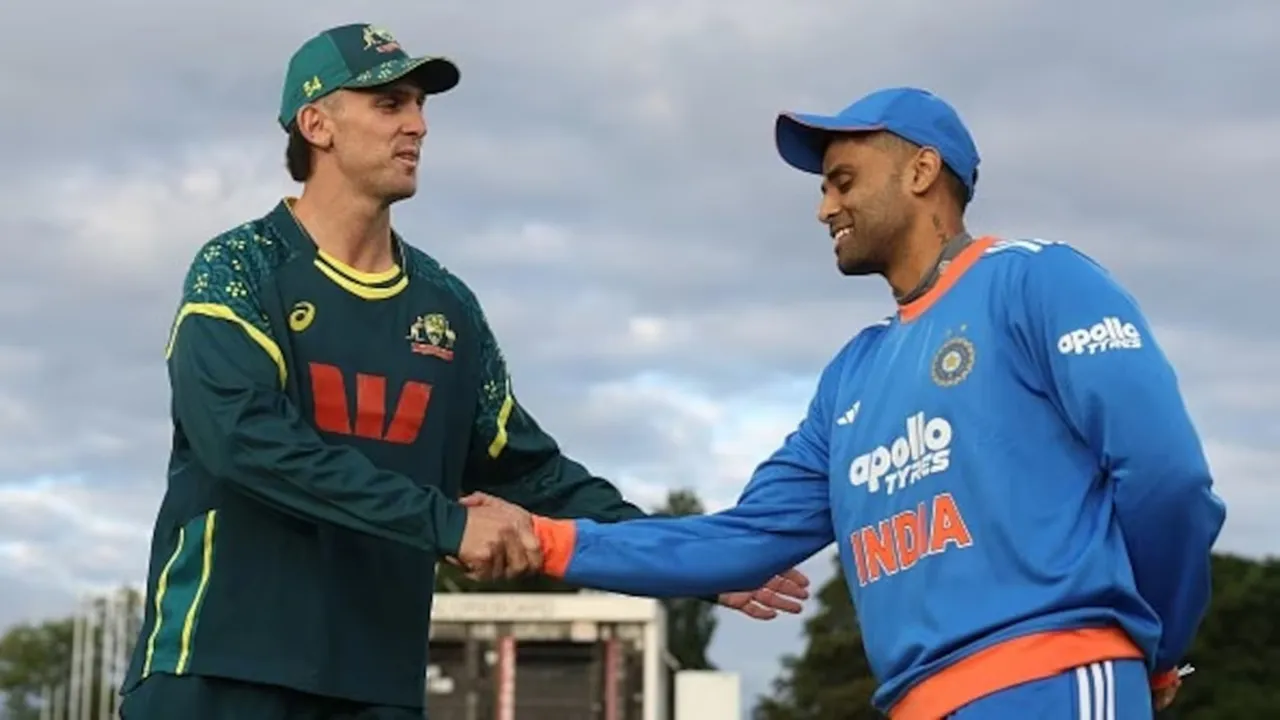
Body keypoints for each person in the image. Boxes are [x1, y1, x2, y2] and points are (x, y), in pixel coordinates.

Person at [117, 23, 809, 720]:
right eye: (390, 104)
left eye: (420, 106)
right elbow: (242, 439)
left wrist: (696, 564)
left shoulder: (446, 307)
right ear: (316, 122)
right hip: (214, 669)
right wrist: (447, 525)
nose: (417, 125)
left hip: (376, 687)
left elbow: (535, 476)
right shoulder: (240, 267)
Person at [492, 86, 1227, 718]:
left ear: (922, 170)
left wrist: (1159, 645)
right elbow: (738, 543)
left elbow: (1167, 479)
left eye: (842, 181)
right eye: (823, 188)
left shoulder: (1039, 282)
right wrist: (547, 540)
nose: (824, 207)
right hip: (915, 699)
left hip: (1053, 678)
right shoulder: (852, 374)